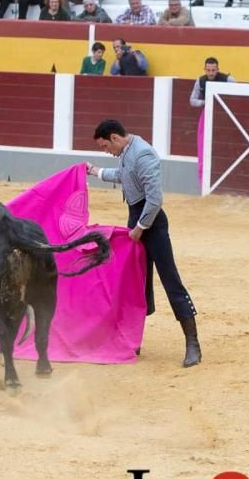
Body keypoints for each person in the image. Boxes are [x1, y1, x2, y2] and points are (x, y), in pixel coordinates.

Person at [85, 119, 201, 368]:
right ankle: (133, 338)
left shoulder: (143, 153)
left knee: (170, 280)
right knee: (136, 282)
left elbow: (155, 198)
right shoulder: (128, 152)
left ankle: (193, 343)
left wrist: (140, 227)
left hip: (152, 225)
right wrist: (97, 172)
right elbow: (124, 176)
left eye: (106, 146)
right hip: (136, 219)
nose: (106, 151)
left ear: (115, 138)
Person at [189, 56, 235, 185]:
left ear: (217, 69)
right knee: (203, 145)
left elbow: (236, 95)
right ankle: (203, 181)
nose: (210, 73)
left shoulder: (228, 80)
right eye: (208, 70)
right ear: (204, 69)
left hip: (225, 117)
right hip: (207, 114)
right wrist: (206, 101)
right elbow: (192, 100)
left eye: (213, 70)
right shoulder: (200, 81)